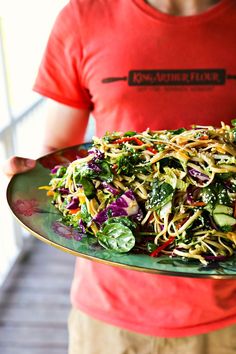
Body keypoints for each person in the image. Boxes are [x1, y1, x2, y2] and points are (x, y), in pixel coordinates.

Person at [4, 0, 236, 353]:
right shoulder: (84, 17)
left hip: (227, 318)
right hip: (109, 315)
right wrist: (27, 179)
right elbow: (57, 156)